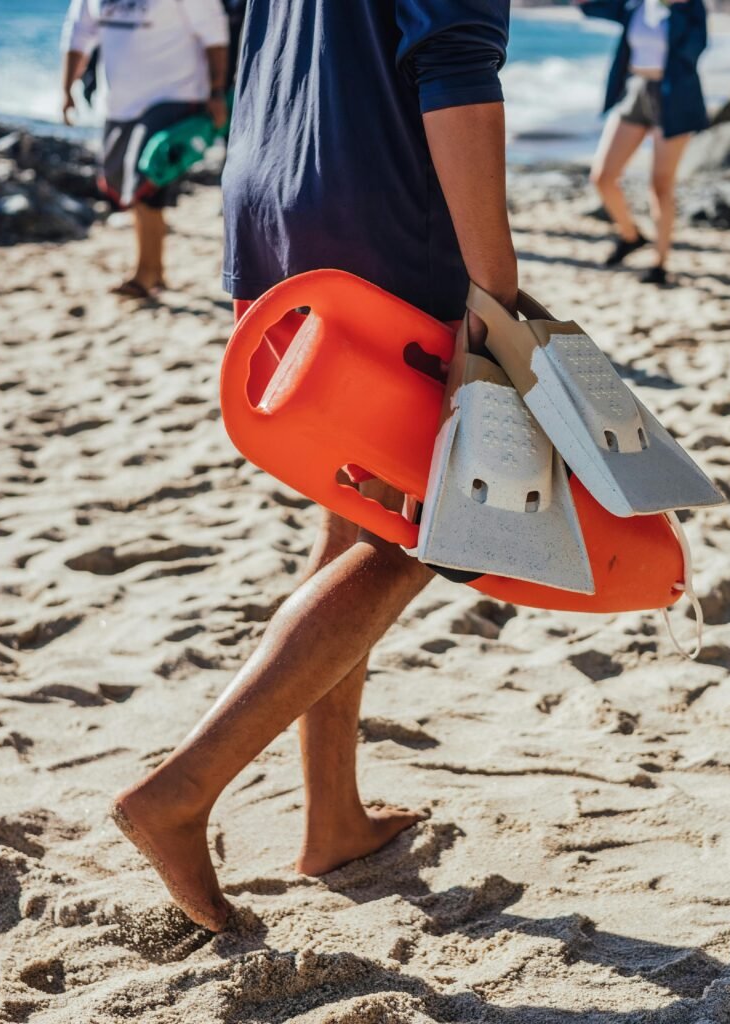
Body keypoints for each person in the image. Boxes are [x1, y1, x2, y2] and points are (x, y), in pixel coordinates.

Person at [109, 0, 516, 931]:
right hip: (377, 214)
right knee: (421, 537)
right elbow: (454, 64)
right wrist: (498, 297)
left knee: (355, 520)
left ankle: (332, 818)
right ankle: (180, 792)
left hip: (273, 194)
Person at [60, 0, 231, 299]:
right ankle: (156, 270)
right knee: (123, 185)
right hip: (119, 104)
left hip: (174, 96)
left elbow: (215, 34)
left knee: (147, 183)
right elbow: (78, 35)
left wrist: (216, 90)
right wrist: (66, 90)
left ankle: (145, 273)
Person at [577, 0, 709, 286]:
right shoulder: (633, 5)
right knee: (602, 177)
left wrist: (675, 8)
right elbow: (588, 7)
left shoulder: (690, 7)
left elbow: (692, 50)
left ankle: (660, 263)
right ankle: (631, 236)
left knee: (660, 186)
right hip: (634, 91)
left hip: (675, 98)